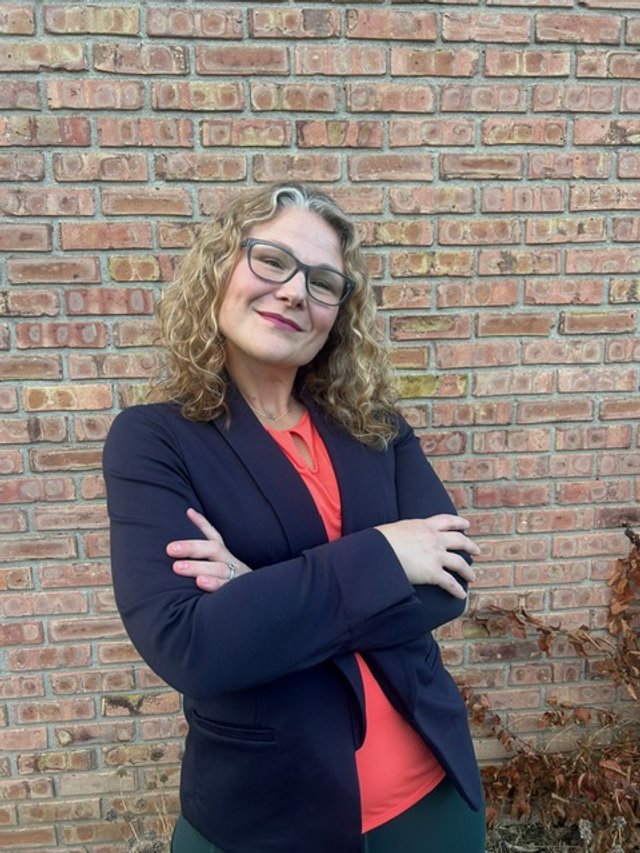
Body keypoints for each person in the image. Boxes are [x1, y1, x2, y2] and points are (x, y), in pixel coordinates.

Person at [103, 182, 485, 853]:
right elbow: (193, 645)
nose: (293, 291)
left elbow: (448, 583)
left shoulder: (374, 426)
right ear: (221, 267)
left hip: (432, 796)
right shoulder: (155, 439)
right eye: (272, 260)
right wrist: (388, 555)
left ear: (339, 312)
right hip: (264, 817)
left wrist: (258, 586)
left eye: (324, 281)